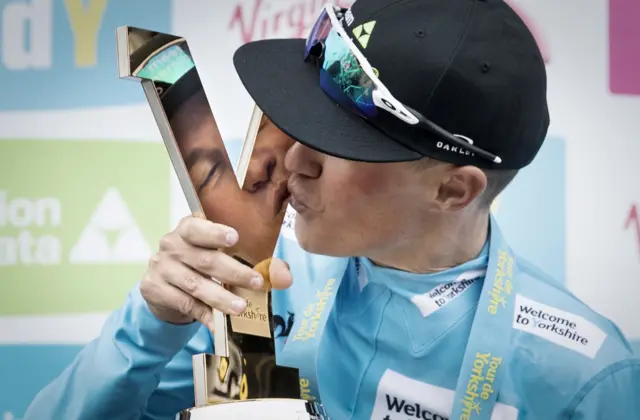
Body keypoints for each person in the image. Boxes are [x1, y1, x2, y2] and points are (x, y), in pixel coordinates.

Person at [23, 1, 640, 419]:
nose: (294, 162)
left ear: (454, 190)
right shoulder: (258, 286)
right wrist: (151, 323)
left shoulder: (583, 375)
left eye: (342, 145)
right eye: (301, 122)